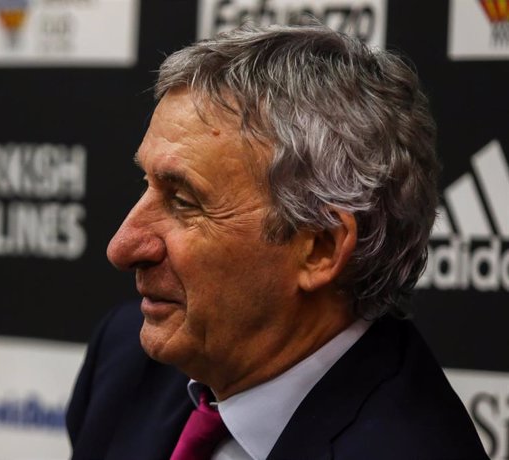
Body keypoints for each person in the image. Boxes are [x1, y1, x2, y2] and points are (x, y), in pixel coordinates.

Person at [67, 23, 488, 460]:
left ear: (321, 248)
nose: (122, 246)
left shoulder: (406, 446)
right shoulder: (126, 360)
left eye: (183, 201)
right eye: (146, 184)